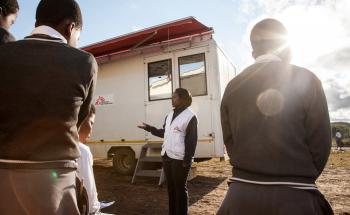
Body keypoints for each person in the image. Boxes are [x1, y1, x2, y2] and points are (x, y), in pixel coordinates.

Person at [218, 18, 333, 215]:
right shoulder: (308, 79)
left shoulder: (232, 86)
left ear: (253, 52)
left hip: (240, 196)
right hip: (296, 196)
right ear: (286, 48)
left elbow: (229, 140)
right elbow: (321, 142)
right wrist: (300, 173)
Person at [0, 0, 97, 214]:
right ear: (70, 27)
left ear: (36, 22)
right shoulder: (84, 62)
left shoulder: (4, 53)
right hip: (55, 185)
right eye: (77, 36)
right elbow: (78, 122)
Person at [138, 88, 198, 215]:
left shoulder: (190, 116)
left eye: (175, 97)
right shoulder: (169, 115)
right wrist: (149, 128)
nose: (172, 99)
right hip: (166, 156)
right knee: (170, 188)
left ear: (182, 98)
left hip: (180, 159)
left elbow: (191, 140)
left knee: (180, 189)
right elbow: (164, 133)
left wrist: (187, 160)